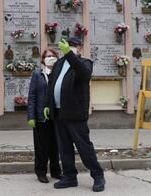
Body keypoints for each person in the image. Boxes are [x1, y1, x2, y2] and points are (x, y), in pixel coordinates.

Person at [44, 37, 105, 192]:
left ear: (80, 47)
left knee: (84, 147)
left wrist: (69, 55)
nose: (71, 47)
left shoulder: (84, 63)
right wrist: (47, 105)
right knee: (64, 148)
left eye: (74, 45)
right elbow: (51, 85)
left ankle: (98, 175)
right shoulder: (58, 64)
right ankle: (70, 177)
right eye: (69, 45)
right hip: (58, 113)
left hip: (75, 114)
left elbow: (84, 74)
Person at [27, 49, 62, 183]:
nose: (51, 58)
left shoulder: (59, 74)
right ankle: (41, 172)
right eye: (48, 56)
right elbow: (32, 96)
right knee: (41, 147)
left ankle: (56, 171)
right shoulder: (37, 74)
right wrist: (31, 116)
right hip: (41, 117)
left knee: (55, 146)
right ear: (43, 59)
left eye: (53, 56)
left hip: (56, 116)